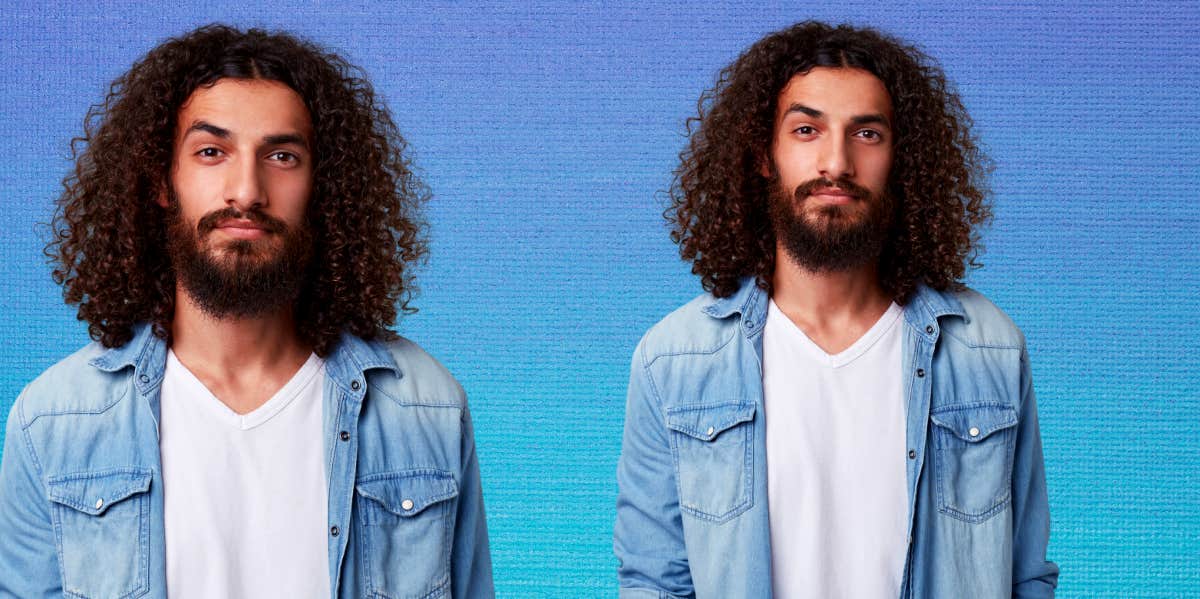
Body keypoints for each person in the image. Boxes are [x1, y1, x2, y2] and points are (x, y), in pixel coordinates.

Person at [0, 25, 492, 598]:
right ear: (163, 180)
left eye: (282, 155)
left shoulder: (423, 409)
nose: (247, 190)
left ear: (321, 185)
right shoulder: (54, 422)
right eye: (212, 151)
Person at [614, 21, 1058, 598]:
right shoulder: (673, 362)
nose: (837, 162)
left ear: (902, 158)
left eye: (867, 134)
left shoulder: (986, 350)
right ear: (764, 155)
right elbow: (654, 584)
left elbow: (1026, 578)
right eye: (806, 129)